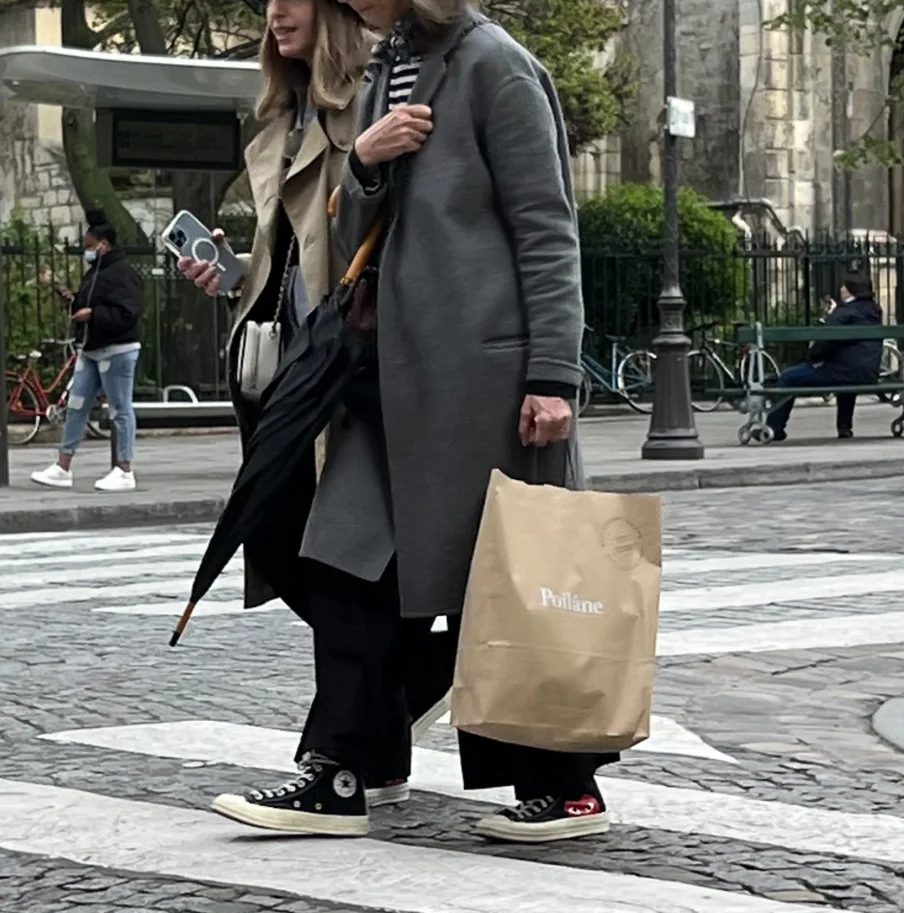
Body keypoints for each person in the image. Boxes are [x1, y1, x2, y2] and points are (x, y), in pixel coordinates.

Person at [211, 0, 617, 844]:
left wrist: (552, 373)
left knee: (503, 582)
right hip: (382, 376)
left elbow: (547, 226)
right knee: (343, 566)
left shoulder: (494, 64)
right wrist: (362, 163)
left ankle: (566, 787)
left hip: (483, 380)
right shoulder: (386, 65)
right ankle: (345, 772)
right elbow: (357, 228)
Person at [180, 1, 438, 804]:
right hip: (291, 376)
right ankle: (384, 729)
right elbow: (289, 263)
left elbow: (397, 235)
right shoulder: (280, 124)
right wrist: (233, 283)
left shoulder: (374, 101)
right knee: (291, 557)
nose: (274, 12)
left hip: (358, 380)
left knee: (340, 571)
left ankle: (343, 759)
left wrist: (360, 156)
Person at [31, 209, 144, 492]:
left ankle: (124, 468)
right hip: (91, 349)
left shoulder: (123, 275)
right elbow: (81, 305)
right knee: (76, 406)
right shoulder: (94, 274)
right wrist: (60, 290)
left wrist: (93, 315)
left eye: (89, 247)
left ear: (103, 244)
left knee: (120, 409)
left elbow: (128, 312)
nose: (87, 252)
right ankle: (63, 465)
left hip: (117, 350)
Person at [766, 272, 883, 442]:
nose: (841, 288)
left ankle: (774, 428)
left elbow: (825, 342)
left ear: (849, 290)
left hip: (841, 371)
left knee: (787, 377)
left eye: (844, 286)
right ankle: (844, 427)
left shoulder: (843, 313)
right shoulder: (875, 310)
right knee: (848, 377)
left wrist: (811, 359)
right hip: (868, 373)